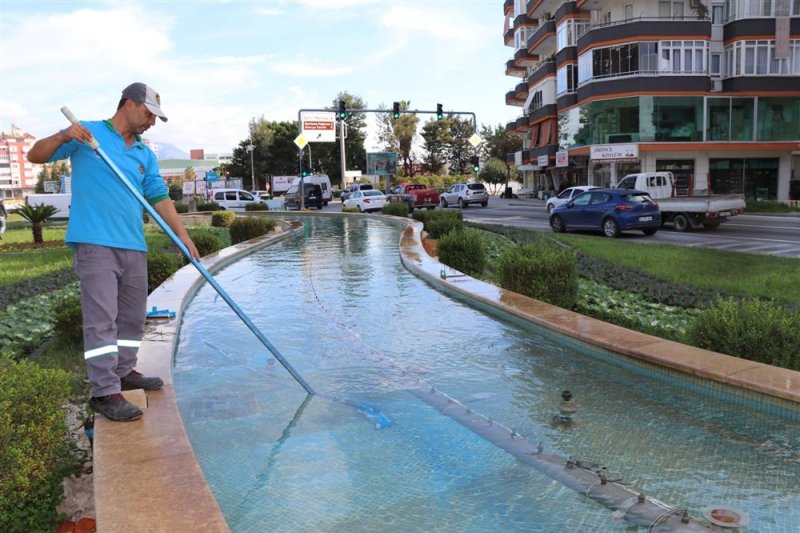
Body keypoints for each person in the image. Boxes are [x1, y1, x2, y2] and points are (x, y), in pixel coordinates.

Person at [27, 82, 199, 422]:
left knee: (132, 319)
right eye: (149, 114)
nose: (151, 122)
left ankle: (124, 371)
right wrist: (63, 136)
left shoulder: (144, 155)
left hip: (133, 245)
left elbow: (159, 197)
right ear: (130, 105)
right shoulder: (86, 134)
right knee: (101, 321)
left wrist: (183, 235)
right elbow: (35, 155)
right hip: (95, 243)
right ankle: (105, 392)